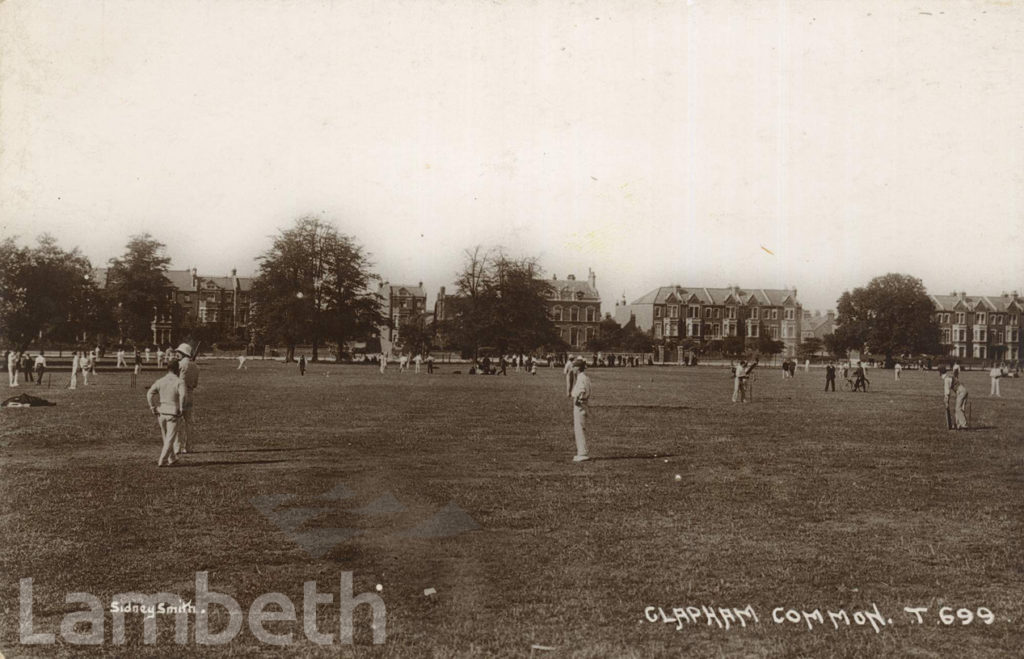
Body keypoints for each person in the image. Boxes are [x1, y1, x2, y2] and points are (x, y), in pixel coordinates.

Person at [147, 358, 186, 467]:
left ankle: (172, 458)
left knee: (166, 437)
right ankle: (162, 460)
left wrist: (152, 407)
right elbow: (183, 396)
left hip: (161, 412)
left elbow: (149, 393)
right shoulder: (179, 381)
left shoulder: (160, 381)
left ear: (167, 368)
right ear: (177, 369)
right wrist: (182, 408)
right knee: (170, 438)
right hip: (173, 412)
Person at [174, 343, 199, 455]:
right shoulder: (196, 366)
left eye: (178, 352)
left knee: (177, 421)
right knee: (189, 422)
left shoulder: (179, 364)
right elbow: (195, 384)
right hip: (190, 394)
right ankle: (189, 447)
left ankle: (177, 447)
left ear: (183, 353)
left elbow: (175, 381)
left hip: (180, 394)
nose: (176, 354)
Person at [570, 359, 592, 461]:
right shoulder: (585, 377)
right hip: (584, 404)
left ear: (578, 368)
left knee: (579, 428)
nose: (573, 368)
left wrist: (578, 400)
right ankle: (582, 451)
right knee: (580, 427)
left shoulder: (581, 378)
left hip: (580, 404)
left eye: (574, 367)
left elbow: (582, 390)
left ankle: (582, 453)